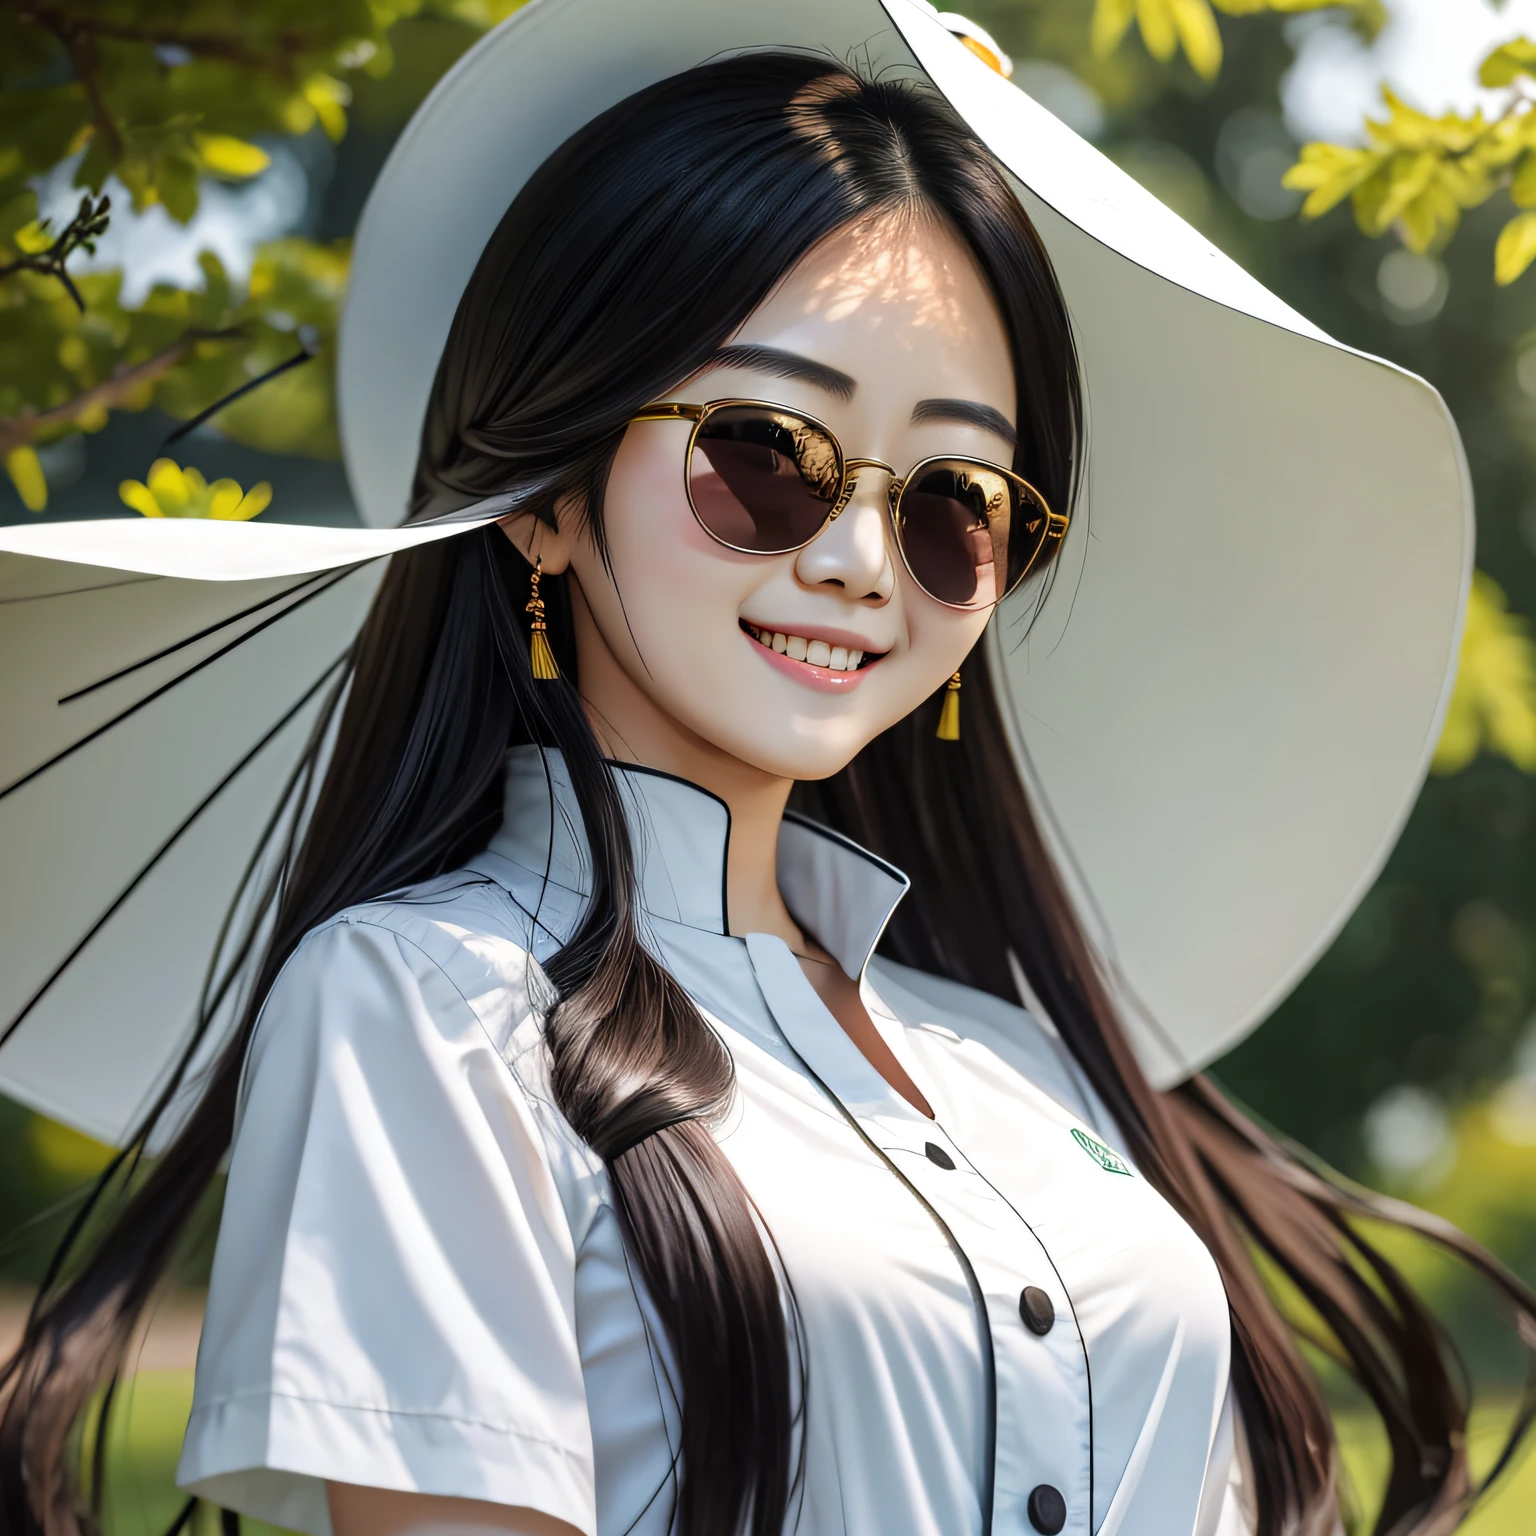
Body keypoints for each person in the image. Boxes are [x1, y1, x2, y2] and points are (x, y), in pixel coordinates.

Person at [1, 6, 1531, 1536]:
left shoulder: (1018, 1055)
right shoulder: (425, 1008)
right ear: (542, 497)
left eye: (954, 503)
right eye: (765, 457)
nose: (866, 562)